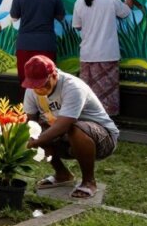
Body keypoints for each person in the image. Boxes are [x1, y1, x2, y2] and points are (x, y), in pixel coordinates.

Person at [22, 56, 120, 200]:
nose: (39, 89)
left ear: (54, 75)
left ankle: (88, 181)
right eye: (34, 85)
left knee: (74, 128)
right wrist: (24, 138)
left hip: (102, 139)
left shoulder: (73, 86)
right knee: (35, 130)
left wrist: (35, 142)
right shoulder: (32, 91)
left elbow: (65, 124)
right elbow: (30, 121)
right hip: (66, 139)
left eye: (43, 84)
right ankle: (62, 174)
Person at [72, 0, 133, 117]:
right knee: (108, 91)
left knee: (88, 90)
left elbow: (77, 26)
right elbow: (125, 12)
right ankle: (107, 119)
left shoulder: (80, 1)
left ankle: (88, 118)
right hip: (107, 54)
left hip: (87, 54)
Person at [10, 0, 65, 84]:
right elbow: (60, 17)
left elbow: (14, 17)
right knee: (47, 81)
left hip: (25, 43)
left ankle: (27, 104)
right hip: (46, 43)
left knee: (26, 80)